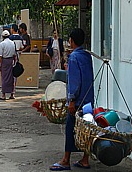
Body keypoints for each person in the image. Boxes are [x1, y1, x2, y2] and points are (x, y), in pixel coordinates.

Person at [50, 28, 94, 171]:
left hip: (78, 100)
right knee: (87, 128)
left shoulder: (74, 57)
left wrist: (72, 100)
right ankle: (85, 159)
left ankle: (66, 160)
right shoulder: (86, 55)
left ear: (71, 41)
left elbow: (75, 81)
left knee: (70, 128)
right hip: (88, 98)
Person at [0, 30, 17, 100]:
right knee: (11, 78)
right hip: (11, 61)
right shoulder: (12, 43)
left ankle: (3, 94)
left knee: (4, 78)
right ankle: (12, 93)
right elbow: (14, 55)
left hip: (4, 61)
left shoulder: (2, 44)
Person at [9, 24, 24, 98]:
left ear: (12, 29)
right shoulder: (20, 38)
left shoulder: (10, 38)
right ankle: (13, 91)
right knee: (15, 75)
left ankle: (9, 90)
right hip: (17, 58)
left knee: (9, 74)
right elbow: (22, 47)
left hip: (10, 58)